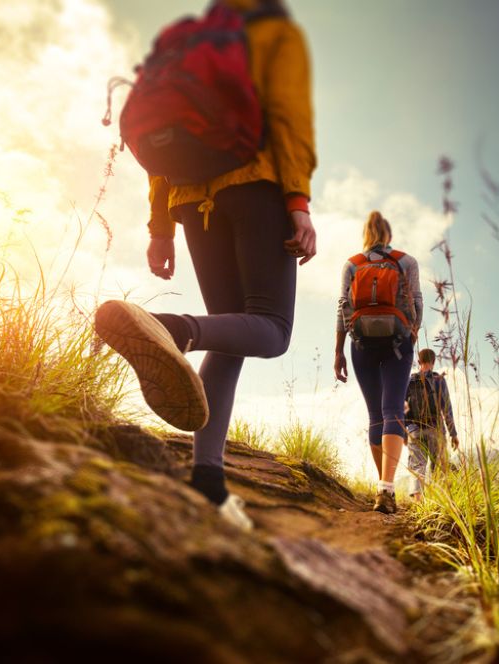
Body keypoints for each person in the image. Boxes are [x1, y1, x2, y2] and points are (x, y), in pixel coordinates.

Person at [94, 0, 316, 533]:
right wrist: (299, 204)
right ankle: (172, 330)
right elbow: (288, 116)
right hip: (255, 189)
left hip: (191, 202)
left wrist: (160, 228)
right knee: (272, 329)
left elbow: (163, 151)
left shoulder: (188, 39)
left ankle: (208, 483)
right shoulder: (273, 33)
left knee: (232, 335)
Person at [334, 211, 422, 515]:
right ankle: (386, 486)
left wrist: (339, 351)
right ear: (389, 235)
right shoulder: (406, 261)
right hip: (398, 344)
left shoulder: (352, 264)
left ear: (366, 235)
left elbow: (342, 308)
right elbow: (418, 303)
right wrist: (412, 335)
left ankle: (383, 487)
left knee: (375, 415)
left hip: (361, 345)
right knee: (393, 410)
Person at [405, 348, 459, 500]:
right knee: (439, 466)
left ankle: (418, 501)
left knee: (417, 465)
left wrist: (404, 432)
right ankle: (439, 502)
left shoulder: (409, 381)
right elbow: (446, 408)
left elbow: (403, 407)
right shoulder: (439, 380)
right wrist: (453, 433)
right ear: (433, 362)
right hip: (436, 429)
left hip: (414, 429)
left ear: (418, 361)